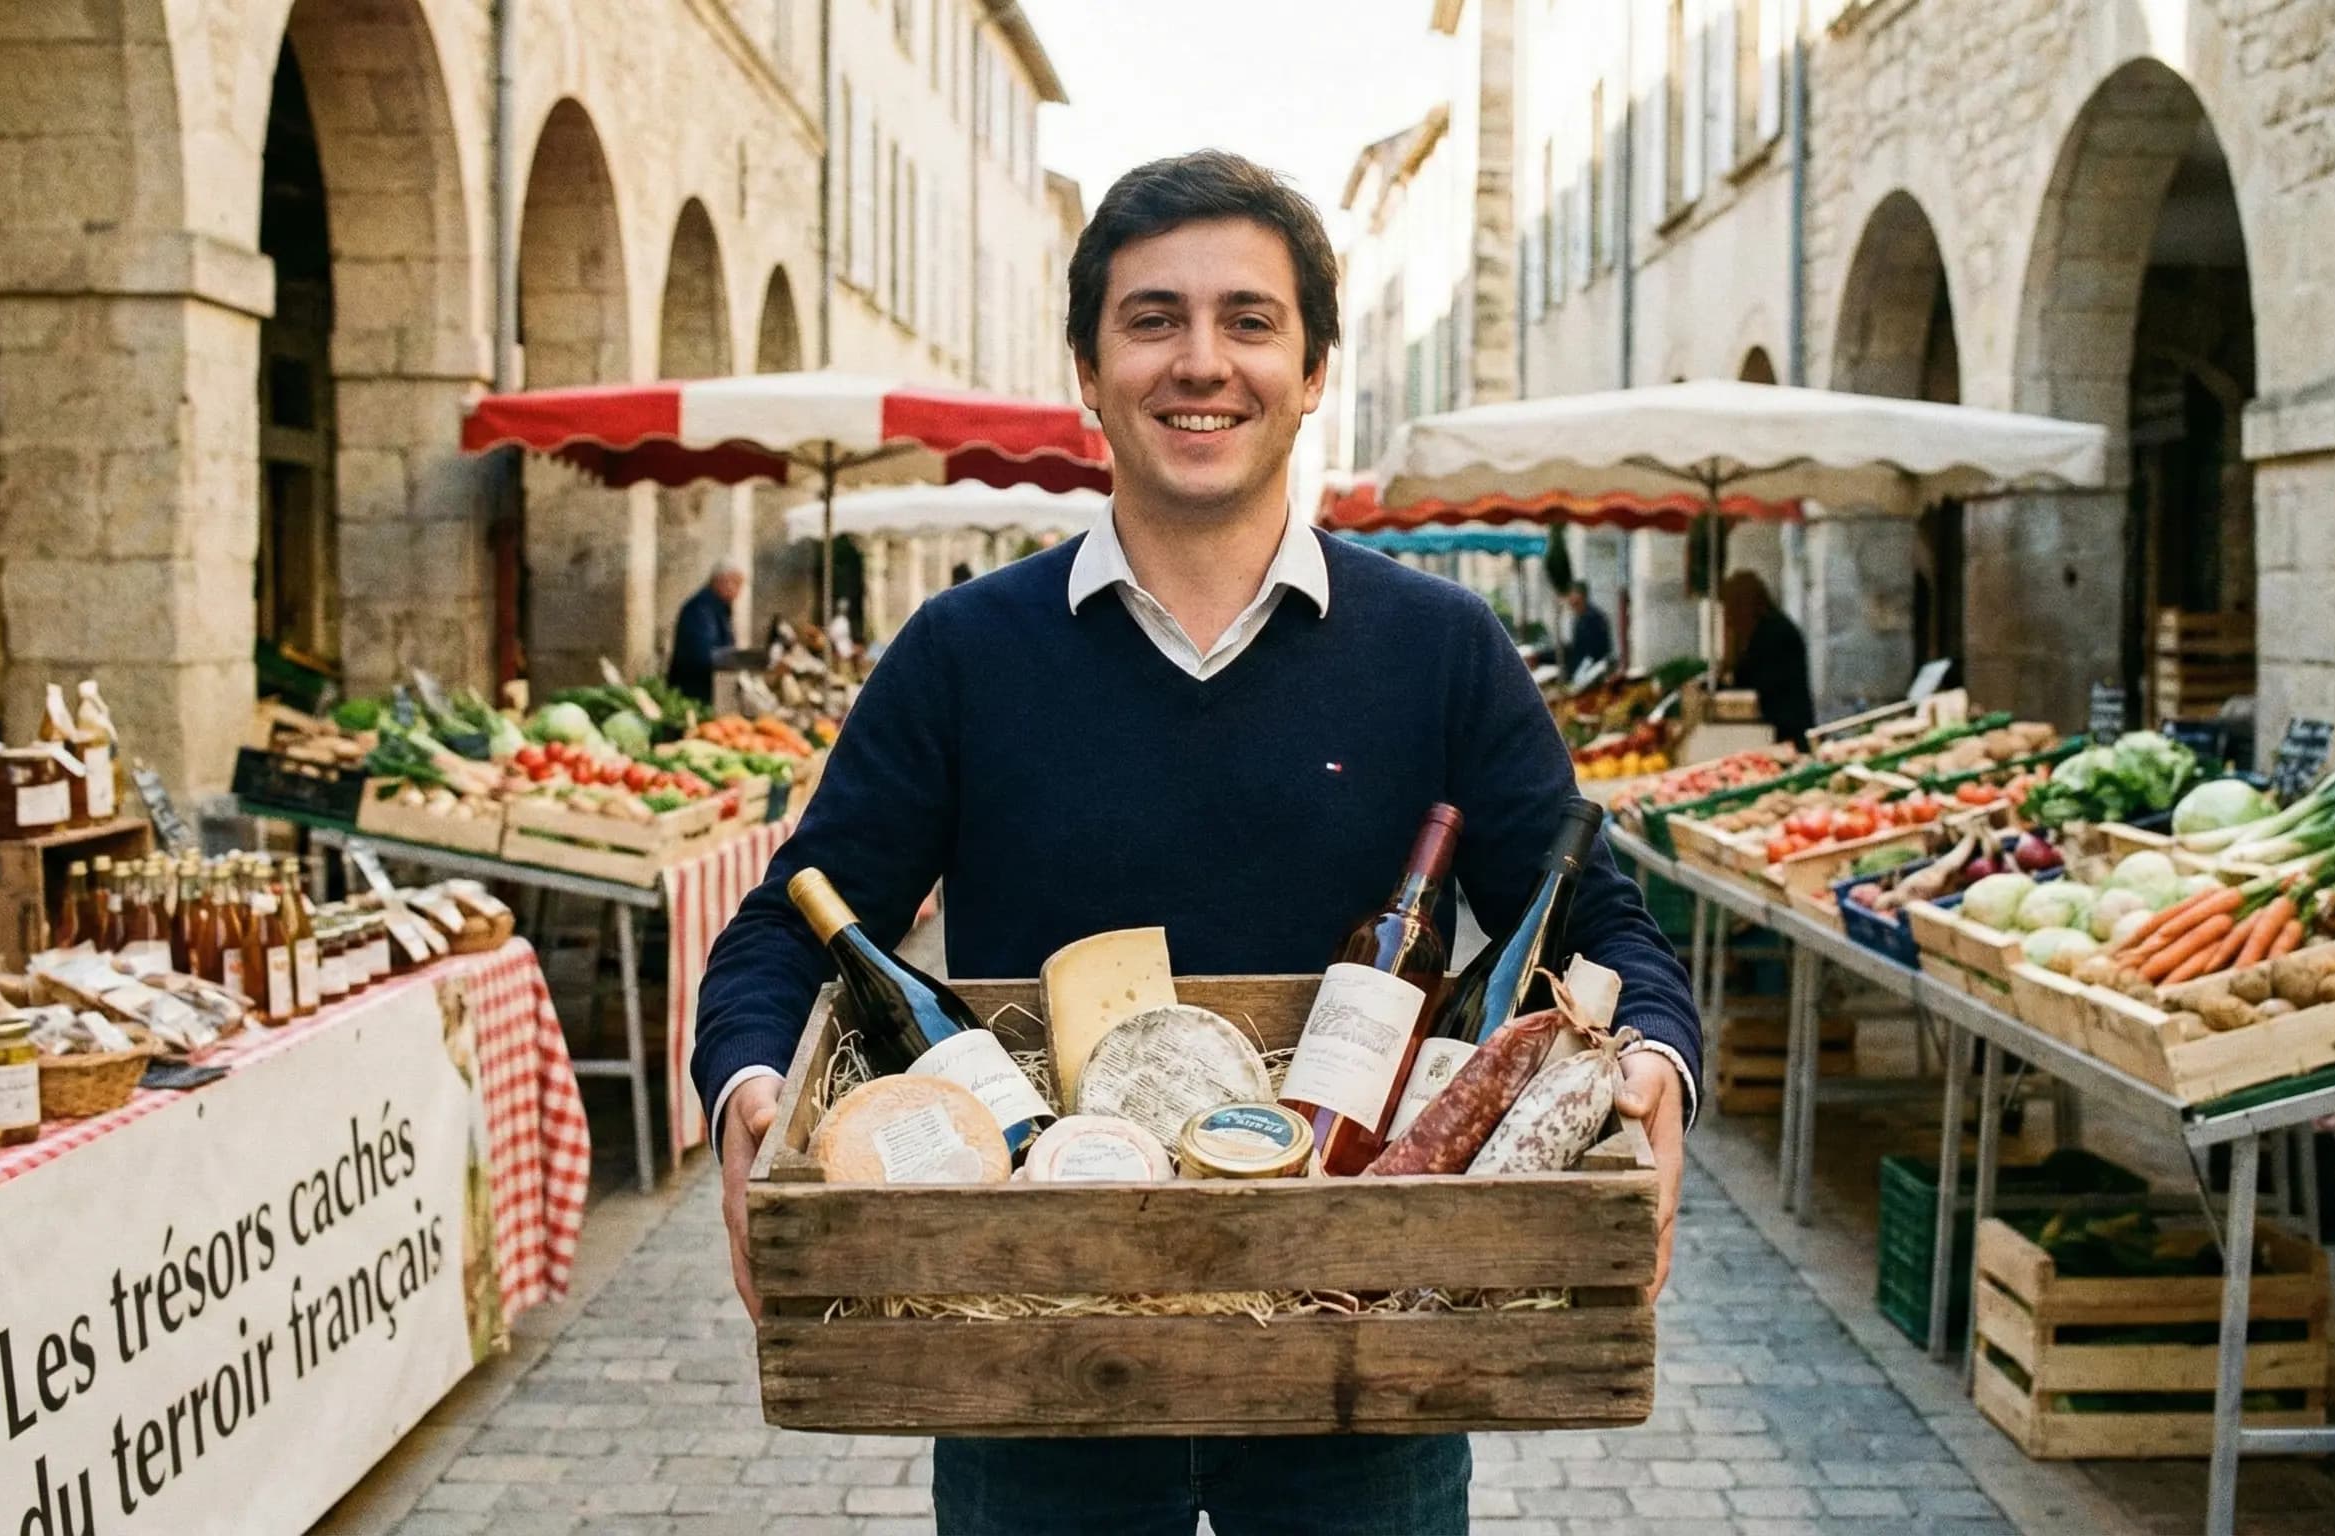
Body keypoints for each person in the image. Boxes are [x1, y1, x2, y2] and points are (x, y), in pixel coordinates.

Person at [695, 150, 1699, 1536]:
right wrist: (750, 1085)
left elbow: (1605, 928)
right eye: (1153, 319)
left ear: (1314, 367)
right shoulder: (965, 654)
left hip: (1367, 1367)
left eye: (1249, 320)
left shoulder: (1442, 650)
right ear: (1089, 370)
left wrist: (1655, 1064)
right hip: (1035, 1368)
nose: (1200, 363)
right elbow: (783, 929)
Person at [1721, 569, 1815, 746]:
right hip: (1773, 728)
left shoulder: (1775, 633)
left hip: (1785, 732)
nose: (1729, 617)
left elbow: (1755, 683)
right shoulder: (1759, 631)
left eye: (1733, 607)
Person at [667, 562, 744, 701]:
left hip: (709, 691)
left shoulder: (718, 608)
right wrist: (745, 661)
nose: (739, 592)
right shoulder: (700, 610)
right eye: (737, 584)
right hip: (695, 694)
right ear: (721, 581)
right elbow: (703, 656)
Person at [1558, 580, 1614, 677]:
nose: (1569, 599)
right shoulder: (1578, 618)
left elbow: (1593, 652)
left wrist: (1579, 675)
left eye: (1572, 594)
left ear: (1581, 596)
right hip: (1586, 669)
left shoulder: (1593, 617)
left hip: (1594, 672)